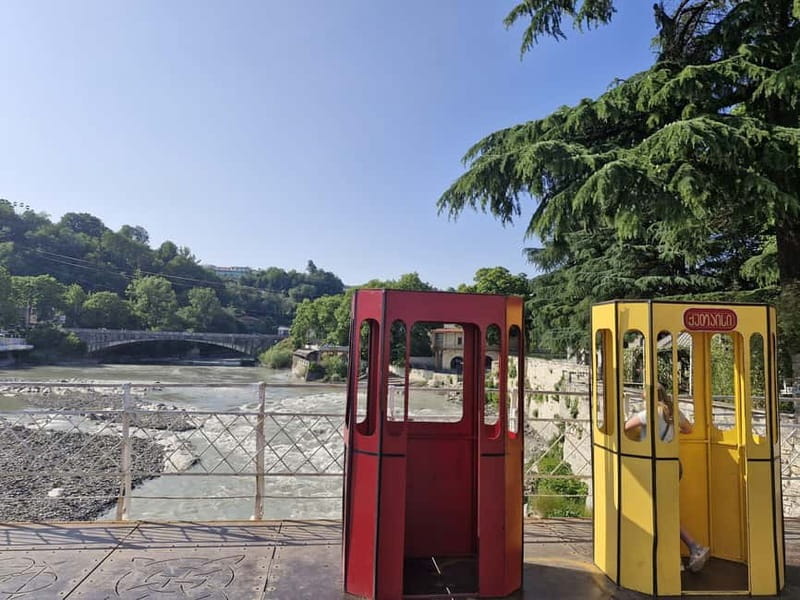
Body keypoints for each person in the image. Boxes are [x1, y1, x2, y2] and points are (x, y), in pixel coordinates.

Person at [624, 384, 710, 573]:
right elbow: (689, 429)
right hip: (674, 465)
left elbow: (625, 429)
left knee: (660, 512)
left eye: (644, 394)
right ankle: (679, 553)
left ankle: (691, 548)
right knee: (663, 511)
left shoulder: (647, 414)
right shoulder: (673, 413)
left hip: (656, 467)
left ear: (649, 396)